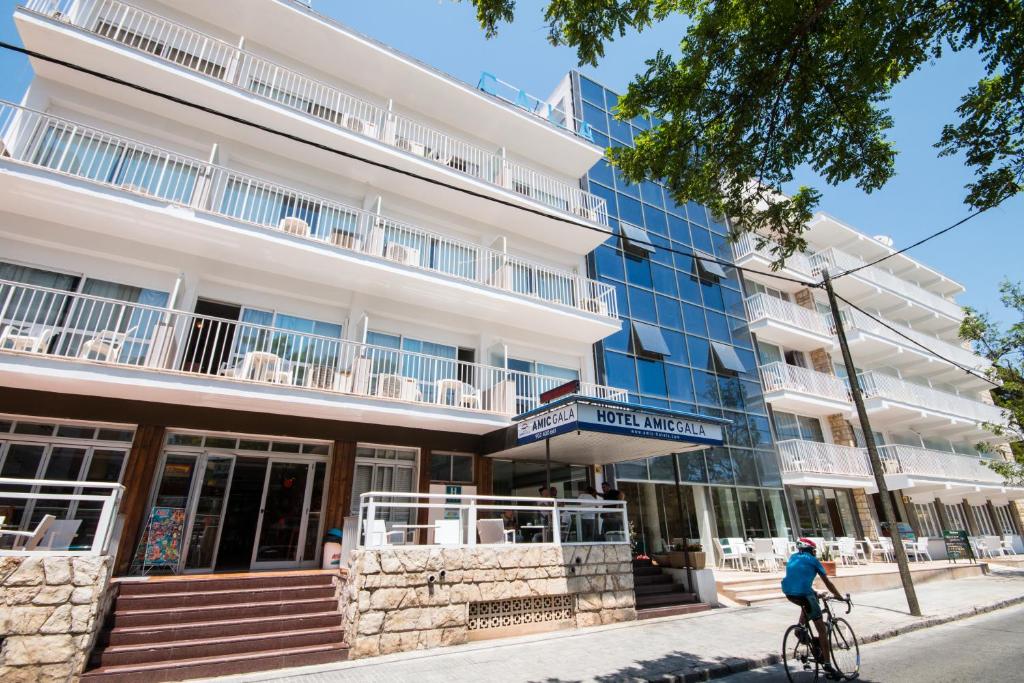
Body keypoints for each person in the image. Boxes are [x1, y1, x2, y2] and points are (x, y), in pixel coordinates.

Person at [781, 538, 846, 679]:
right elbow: (827, 582)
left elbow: (798, 578)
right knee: (822, 629)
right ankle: (828, 665)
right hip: (803, 593)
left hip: (788, 592)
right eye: (814, 550)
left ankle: (800, 627)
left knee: (809, 601)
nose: (815, 553)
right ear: (810, 550)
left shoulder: (793, 557)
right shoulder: (813, 561)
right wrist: (839, 596)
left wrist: (815, 592)